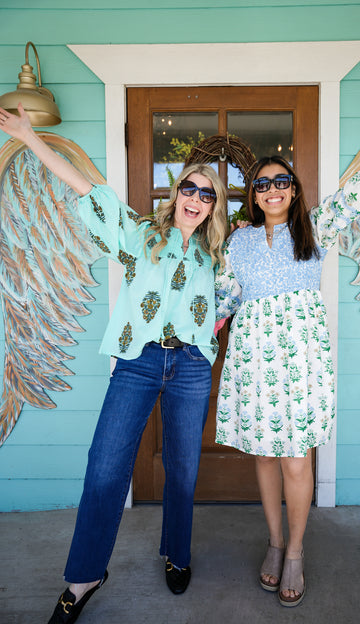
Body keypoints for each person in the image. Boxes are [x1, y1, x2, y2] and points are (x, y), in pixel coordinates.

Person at [0, 103, 229, 623]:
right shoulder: (140, 232)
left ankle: (177, 552)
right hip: (138, 362)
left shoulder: (218, 256)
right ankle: (84, 576)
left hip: (191, 367)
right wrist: (31, 138)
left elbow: (234, 299)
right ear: (177, 197)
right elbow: (86, 189)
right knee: (105, 471)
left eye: (207, 193)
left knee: (184, 471)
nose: (195, 198)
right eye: (188, 189)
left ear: (215, 207)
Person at [214, 137, 360, 607]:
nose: (272, 189)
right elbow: (222, 300)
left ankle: (297, 550)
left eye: (281, 181)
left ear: (294, 189)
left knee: (296, 459)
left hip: (302, 359)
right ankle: (275, 542)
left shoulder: (315, 226)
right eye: (262, 184)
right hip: (253, 358)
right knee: (265, 456)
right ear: (254, 194)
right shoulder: (237, 241)